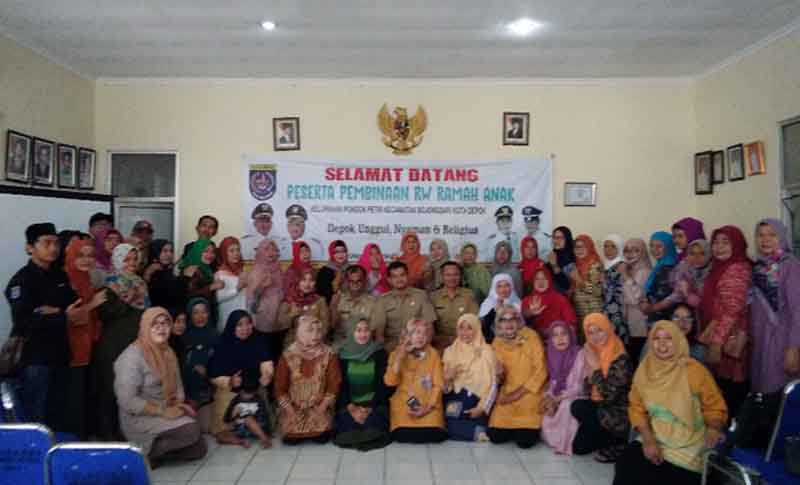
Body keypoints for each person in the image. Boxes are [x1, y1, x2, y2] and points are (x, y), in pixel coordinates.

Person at [614, 320, 727, 485]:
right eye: (656, 338)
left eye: (668, 338)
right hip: (656, 434)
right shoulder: (644, 370)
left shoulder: (694, 370)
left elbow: (714, 407)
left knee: (668, 477)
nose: (662, 344)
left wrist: (713, 428)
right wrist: (648, 441)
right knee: (626, 464)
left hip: (689, 441)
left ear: (679, 341)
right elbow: (636, 409)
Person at [4, 223, 81, 431]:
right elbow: (23, 321)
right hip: (35, 358)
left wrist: (51, 312)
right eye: (47, 243)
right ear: (30, 248)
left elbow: (74, 305)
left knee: (59, 414)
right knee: (36, 417)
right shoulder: (21, 280)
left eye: (56, 243)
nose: (53, 248)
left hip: (61, 355)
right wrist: (60, 315)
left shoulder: (60, 275)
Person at [113, 308, 207, 467]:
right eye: (154, 324)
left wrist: (180, 405)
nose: (161, 328)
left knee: (199, 449)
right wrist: (163, 411)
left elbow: (178, 385)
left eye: (165, 323)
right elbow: (127, 400)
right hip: (140, 417)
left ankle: (155, 451)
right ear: (144, 327)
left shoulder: (167, 351)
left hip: (165, 409)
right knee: (192, 430)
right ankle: (145, 451)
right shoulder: (131, 357)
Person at [749, 218, 800, 446]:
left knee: (778, 397)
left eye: (772, 234)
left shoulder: (790, 266)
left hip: (782, 341)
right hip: (762, 341)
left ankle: (777, 451)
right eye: (761, 235)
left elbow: (798, 310)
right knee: (763, 397)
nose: (765, 239)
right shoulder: (759, 266)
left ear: (782, 237)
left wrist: (793, 348)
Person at [698, 226, 752, 415]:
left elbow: (732, 311)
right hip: (722, 335)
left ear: (737, 244)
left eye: (725, 242)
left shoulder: (736, 269)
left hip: (728, 340)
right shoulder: (720, 267)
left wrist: (716, 343)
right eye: (715, 242)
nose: (719, 247)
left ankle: (731, 429)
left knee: (730, 392)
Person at [571, 313, 633, 463]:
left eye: (599, 330)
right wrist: (591, 371)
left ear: (608, 329)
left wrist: (596, 368)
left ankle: (619, 441)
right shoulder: (593, 351)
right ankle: (606, 438)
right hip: (601, 407)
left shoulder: (620, 358)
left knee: (581, 409)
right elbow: (587, 390)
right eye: (590, 332)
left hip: (618, 413)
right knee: (578, 447)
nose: (595, 336)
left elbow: (610, 396)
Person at [208, 310, 274, 447]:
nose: (245, 328)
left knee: (267, 421)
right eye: (240, 325)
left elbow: (266, 362)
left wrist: (266, 375)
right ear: (232, 326)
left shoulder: (257, 340)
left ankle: (255, 431)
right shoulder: (222, 344)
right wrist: (229, 381)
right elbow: (213, 374)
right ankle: (233, 434)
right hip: (230, 392)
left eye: (248, 323)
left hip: (254, 389)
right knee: (224, 426)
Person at [63, 239, 108, 438]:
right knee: (73, 401)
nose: (86, 260)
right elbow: (69, 319)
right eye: (80, 255)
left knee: (85, 397)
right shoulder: (65, 281)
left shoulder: (86, 279)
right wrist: (93, 305)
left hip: (88, 347)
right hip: (71, 351)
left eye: (90, 255)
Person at [274, 315, 342, 444]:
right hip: (293, 408)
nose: (316, 335)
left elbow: (334, 385)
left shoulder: (329, 354)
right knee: (291, 440)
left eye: (318, 330)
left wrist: (321, 408)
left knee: (321, 438)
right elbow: (279, 388)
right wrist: (290, 412)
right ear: (299, 332)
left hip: (319, 407)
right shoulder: (288, 355)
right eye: (310, 330)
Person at [487, 305, 547, 448]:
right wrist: (499, 375)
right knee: (495, 437)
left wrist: (517, 394)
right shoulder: (497, 342)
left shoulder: (531, 336)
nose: (508, 323)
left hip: (529, 392)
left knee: (525, 442)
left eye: (512, 319)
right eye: (504, 320)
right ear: (498, 324)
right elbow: (499, 378)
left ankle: (522, 429)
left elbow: (541, 371)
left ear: (519, 321)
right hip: (507, 394)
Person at [384, 319, 447, 443]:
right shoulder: (397, 353)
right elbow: (390, 382)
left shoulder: (433, 354)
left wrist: (427, 408)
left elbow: (438, 385)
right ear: (408, 335)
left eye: (424, 333)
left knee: (435, 434)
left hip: (429, 405)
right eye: (416, 332)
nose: (420, 337)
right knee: (401, 434)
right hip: (404, 403)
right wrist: (400, 358)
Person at [334, 316, 391, 451]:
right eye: (358, 330)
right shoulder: (342, 355)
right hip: (350, 404)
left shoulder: (379, 353)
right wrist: (352, 408)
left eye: (366, 330)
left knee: (375, 426)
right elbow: (341, 385)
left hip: (374, 403)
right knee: (346, 427)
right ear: (351, 332)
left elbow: (382, 385)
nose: (363, 334)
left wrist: (369, 409)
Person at [442, 314, 497, 442]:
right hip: (456, 396)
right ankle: (477, 433)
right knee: (449, 423)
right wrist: (448, 378)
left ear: (477, 329)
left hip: (478, 398)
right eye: (461, 328)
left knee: (459, 420)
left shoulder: (487, 351)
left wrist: (482, 407)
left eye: (469, 328)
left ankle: (477, 428)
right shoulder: (450, 351)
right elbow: (445, 388)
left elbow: (493, 384)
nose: (464, 332)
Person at [541, 321, 588, 455]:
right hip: (559, 394)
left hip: (577, 395)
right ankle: (556, 439)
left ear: (570, 335)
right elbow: (553, 381)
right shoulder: (550, 354)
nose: (560, 338)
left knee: (566, 405)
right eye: (555, 335)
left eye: (564, 334)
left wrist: (558, 398)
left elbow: (580, 386)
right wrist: (549, 396)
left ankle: (565, 443)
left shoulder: (579, 353)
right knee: (544, 403)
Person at [372, 261, 436, 351]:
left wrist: (422, 349)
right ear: (389, 280)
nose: (399, 279)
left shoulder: (421, 295)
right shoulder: (383, 300)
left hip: (417, 344)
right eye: (395, 276)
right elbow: (379, 333)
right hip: (392, 346)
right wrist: (384, 353)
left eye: (402, 275)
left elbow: (429, 327)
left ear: (407, 276)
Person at [244, 239, 285, 360]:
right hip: (262, 322)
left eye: (273, 249)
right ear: (260, 252)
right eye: (267, 249)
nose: (271, 252)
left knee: (277, 356)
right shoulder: (256, 272)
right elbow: (252, 305)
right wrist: (262, 287)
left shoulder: (278, 270)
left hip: (279, 321)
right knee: (265, 358)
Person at [277, 267, 330, 348]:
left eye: (311, 280)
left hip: (315, 344)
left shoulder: (320, 300)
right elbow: (280, 325)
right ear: (297, 281)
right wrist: (292, 314)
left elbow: (325, 325)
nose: (307, 284)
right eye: (303, 280)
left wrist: (314, 340)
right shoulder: (289, 300)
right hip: (293, 344)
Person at [431, 261, 479, 350]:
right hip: (440, 343)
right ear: (441, 277)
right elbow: (430, 325)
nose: (452, 278)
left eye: (456, 274)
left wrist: (462, 339)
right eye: (448, 275)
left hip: (465, 340)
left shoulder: (469, 294)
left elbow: (473, 320)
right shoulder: (433, 297)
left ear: (460, 276)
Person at [330, 265, 380, 350]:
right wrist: (334, 307)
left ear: (365, 281)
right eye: (351, 281)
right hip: (341, 342)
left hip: (363, 343)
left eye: (359, 281)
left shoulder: (373, 302)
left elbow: (374, 330)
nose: (355, 284)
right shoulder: (338, 299)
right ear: (346, 282)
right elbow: (332, 326)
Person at [621, 238, 652, 365]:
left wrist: (625, 276)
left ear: (643, 252)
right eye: (627, 250)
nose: (630, 254)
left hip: (639, 325)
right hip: (628, 324)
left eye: (635, 250)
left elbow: (634, 298)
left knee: (638, 359)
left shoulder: (644, 271)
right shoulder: (629, 269)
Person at [182, 298, 217, 409]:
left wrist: (208, 370)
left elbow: (221, 363)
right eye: (195, 312)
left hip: (209, 392)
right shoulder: (183, 336)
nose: (200, 316)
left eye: (204, 312)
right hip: (185, 392)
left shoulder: (215, 335)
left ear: (209, 313)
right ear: (190, 315)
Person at [522, 267, 577, 337]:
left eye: (544, 279)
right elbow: (521, 319)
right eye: (537, 279)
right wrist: (531, 312)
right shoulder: (527, 300)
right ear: (533, 281)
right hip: (537, 338)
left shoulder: (560, 298)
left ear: (549, 280)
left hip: (559, 336)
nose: (540, 282)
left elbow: (571, 322)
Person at [223, 370, 272, 448]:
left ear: (255, 392)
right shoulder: (235, 400)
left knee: (247, 417)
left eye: (251, 394)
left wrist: (266, 430)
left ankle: (264, 438)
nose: (247, 396)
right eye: (245, 393)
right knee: (220, 436)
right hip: (241, 429)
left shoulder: (258, 400)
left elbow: (264, 416)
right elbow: (227, 419)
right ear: (239, 391)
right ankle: (241, 441)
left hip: (258, 427)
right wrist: (233, 415)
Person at [640, 231, 677, 327]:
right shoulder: (660, 266)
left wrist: (648, 308)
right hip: (656, 315)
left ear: (668, 247)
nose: (654, 250)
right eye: (651, 246)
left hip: (664, 318)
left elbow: (666, 298)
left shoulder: (668, 268)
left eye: (659, 246)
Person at [571, 234, 605, 336]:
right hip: (580, 312)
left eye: (582, 247)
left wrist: (579, 281)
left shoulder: (596, 265)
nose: (579, 250)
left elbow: (598, 291)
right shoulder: (576, 265)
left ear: (589, 247)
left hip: (593, 312)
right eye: (576, 247)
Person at [144, 239, 188, 315]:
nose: (169, 254)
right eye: (165, 251)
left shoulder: (169, 272)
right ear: (156, 252)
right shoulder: (149, 272)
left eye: (171, 251)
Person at [667, 239, 711, 310]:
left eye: (702, 253)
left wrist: (687, 294)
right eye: (692, 253)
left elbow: (704, 305)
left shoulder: (712, 273)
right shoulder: (685, 267)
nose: (696, 257)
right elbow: (675, 294)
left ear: (709, 254)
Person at [214, 236, 247, 332]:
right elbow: (217, 298)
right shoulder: (219, 274)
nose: (236, 253)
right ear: (224, 253)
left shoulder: (242, 271)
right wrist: (237, 289)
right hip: (227, 319)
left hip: (243, 319)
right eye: (231, 251)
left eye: (238, 250)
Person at [106, 243, 150, 310]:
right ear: (118, 260)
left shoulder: (138, 279)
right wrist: (132, 295)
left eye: (135, 259)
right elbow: (113, 310)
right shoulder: (112, 280)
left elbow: (146, 304)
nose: (132, 263)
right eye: (126, 260)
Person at [479, 273, 521, 343]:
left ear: (512, 287)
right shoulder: (487, 304)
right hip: (493, 341)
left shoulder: (517, 302)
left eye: (507, 285)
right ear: (494, 288)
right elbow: (483, 327)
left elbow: (522, 325)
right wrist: (494, 311)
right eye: (499, 286)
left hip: (516, 340)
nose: (503, 289)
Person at [179, 238, 223, 303]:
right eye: (205, 251)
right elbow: (189, 295)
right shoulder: (192, 270)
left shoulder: (207, 268)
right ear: (197, 251)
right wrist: (211, 287)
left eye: (213, 252)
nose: (210, 255)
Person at [603, 235, 627, 343]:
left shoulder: (622, 265)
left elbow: (623, 288)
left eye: (613, 246)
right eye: (605, 246)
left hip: (618, 310)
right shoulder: (604, 265)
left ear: (620, 248)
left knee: (618, 342)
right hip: (606, 309)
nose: (608, 250)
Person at [317, 240, 349, 304]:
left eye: (343, 251)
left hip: (349, 304)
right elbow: (322, 294)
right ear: (331, 254)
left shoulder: (351, 269)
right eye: (336, 252)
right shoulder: (324, 271)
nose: (340, 254)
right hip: (329, 304)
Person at [547, 226, 575, 294]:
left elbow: (567, 286)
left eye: (559, 238)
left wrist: (554, 266)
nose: (555, 241)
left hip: (566, 297)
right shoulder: (554, 255)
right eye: (554, 237)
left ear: (567, 239)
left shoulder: (573, 258)